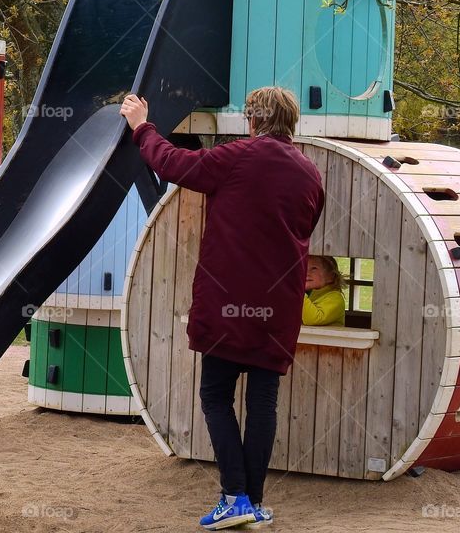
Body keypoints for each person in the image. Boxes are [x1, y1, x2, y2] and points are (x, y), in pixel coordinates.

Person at [120, 87, 324, 530]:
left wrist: (142, 127)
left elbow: (172, 164)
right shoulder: (310, 173)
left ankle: (234, 496)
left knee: (215, 396)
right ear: (292, 123)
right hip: (279, 308)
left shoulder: (235, 157)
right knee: (263, 403)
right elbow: (307, 227)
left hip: (229, 302)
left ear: (252, 120)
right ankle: (251, 500)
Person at [302, 255, 346, 326]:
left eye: (314, 268)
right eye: (304, 267)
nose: (306, 273)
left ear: (330, 276)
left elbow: (313, 319)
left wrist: (299, 294)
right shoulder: (311, 295)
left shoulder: (335, 298)